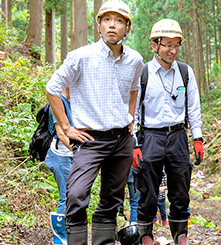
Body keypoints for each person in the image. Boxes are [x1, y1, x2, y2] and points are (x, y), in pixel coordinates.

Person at [45, 0, 143, 244]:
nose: (113, 25)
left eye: (119, 21)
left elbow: (133, 90)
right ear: (98, 24)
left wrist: (130, 118)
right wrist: (66, 127)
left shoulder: (135, 60)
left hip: (122, 139)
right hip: (89, 138)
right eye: (107, 20)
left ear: (127, 28)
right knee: (76, 194)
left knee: (112, 198)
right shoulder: (81, 57)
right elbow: (52, 88)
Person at [133, 19, 203, 245]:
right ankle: (146, 237)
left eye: (176, 45)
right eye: (167, 45)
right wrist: (134, 143)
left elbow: (193, 107)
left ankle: (180, 236)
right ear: (155, 45)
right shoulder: (142, 73)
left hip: (178, 136)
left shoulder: (185, 72)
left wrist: (198, 138)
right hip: (150, 136)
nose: (173, 50)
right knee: (148, 191)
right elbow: (132, 111)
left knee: (181, 189)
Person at [45, 88, 73, 245]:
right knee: (66, 195)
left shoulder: (71, 102)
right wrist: (77, 151)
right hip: (59, 156)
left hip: (69, 155)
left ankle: (68, 232)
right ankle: (59, 237)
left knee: (72, 194)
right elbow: (61, 134)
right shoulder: (58, 102)